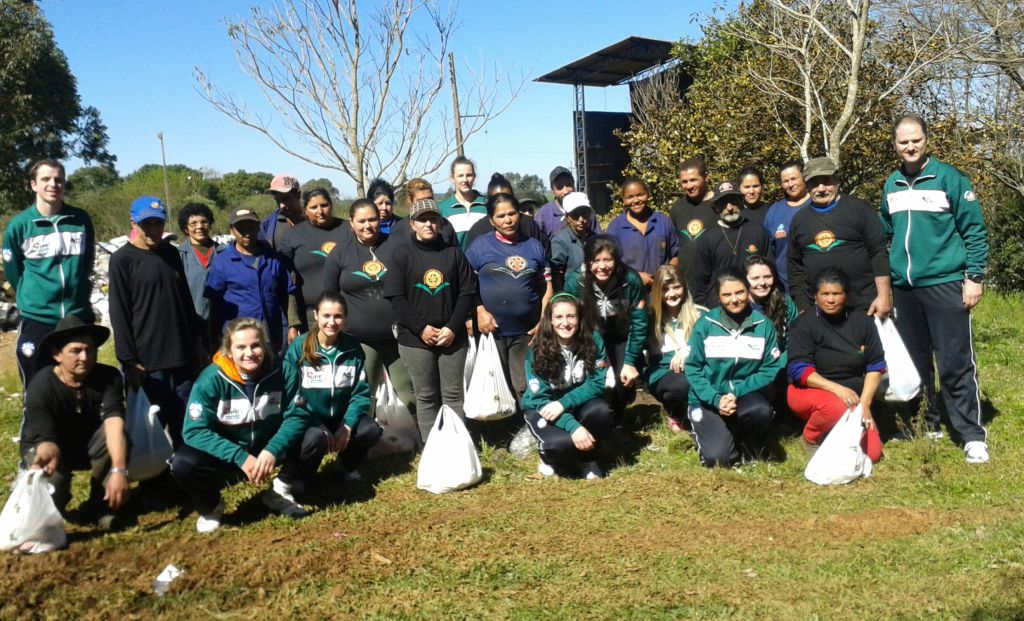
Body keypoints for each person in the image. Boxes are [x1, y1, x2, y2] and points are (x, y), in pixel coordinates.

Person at [881, 113, 990, 463]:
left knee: (954, 362)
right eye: (903, 141)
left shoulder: (950, 179)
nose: (910, 146)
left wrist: (974, 278)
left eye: (916, 140)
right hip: (905, 289)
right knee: (914, 364)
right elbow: (886, 233)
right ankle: (926, 423)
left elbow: (974, 231)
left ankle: (971, 434)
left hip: (945, 284)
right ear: (895, 145)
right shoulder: (892, 185)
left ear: (927, 140)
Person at [171, 318, 310, 533]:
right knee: (183, 462)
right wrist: (239, 456)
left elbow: (298, 414)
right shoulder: (210, 379)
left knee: (314, 436)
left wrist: (272, 450)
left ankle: (280, 491)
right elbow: (194, 430)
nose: (250, 353)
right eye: (241, 347)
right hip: (228, 453)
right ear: (228, 350)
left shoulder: (283, 371)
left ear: (264, 345)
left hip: (268, 447)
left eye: (255, 345)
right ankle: (211, 506)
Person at [108, 196, 203, 447]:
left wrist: (197, 341)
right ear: (133, 224)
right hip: (148, 361)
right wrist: (129, 361)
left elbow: (185, 301)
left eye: (158, 224)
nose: (153, 230)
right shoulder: (122, 260)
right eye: (146, 224)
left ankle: (185, 472)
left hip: (181, 354)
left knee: (185, 418)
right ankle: (156, 478)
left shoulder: (171, 254)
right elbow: (119, 313)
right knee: (153, 426)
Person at [20, 316, 129, 532]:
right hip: (49, 447)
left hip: (88, 444)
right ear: (57, 355)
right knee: (52, 487)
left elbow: (114, 423)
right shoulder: (40, 386)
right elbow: (45, 439)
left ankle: (102, 505)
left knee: (114, 440)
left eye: (90, 349)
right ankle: (49, 506)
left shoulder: (109, 377)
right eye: (76, 350)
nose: (85, 357)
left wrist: (119, 469)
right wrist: (47, 453)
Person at [383, 199, 476, 442]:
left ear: (440, 223)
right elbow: (396, 297)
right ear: (412, 224)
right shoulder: (401, 255)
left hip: (451, 338)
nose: (428, 224)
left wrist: (452, 327)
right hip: (414, 339)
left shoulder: (453, 253)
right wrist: (421, 328)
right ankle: (432, 449)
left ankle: (458, 447)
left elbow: (467, 292)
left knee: (454, 395)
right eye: (422, 219)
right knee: (426, 396)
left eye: (433, 219)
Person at [3, 159, 95, 392]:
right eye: (46, 179)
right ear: (33, 184)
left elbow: (86, 263)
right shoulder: (19, 225)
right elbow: (14, 272)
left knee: (83, 390)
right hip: (38, 319)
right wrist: (33, 294)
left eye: (58, 179)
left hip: (76, 317)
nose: (53, 184)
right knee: (37, 391)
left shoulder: (81, 220)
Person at [322, 198, 416, 414]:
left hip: (399, 337)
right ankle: (363, 441)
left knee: (410, 393)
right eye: (361, 221)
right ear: (351, 223)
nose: (367, 226)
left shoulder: (398, 246)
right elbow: (329, 296)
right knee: (364, 395)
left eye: (372, 219)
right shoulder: (340, 253)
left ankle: (417, 440)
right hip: (360, 340)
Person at [684, 269, 785, 467]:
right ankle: (710, 433)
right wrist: (716, 398)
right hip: (708, 398)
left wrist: (735, 392)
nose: (734, 299)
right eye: (727, 295)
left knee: (761, 411)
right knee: (720, 460)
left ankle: (746, 442)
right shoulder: (705, 324)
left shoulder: (762, 325)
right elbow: (693, 368)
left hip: (742, 395)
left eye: (739, 292)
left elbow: (769, 369)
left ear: (748, 291)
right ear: (718, 297)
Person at [282, 292, 382, 488]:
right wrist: (318, 425)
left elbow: (360, 394)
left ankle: (345, 466)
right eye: (326, 316)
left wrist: (347, 425)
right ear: (316, 316)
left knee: (370, 430)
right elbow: (290, 394)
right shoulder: (298, 347)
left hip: (340, 417)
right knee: (314, 438)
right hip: (308, 419)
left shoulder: (353, 348)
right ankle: (302, 474)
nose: (332, 322)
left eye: (338, 316)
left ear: (345, 318)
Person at [786, 268, 885, 462]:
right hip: (809, 391)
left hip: (854, 397)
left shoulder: (863, 322)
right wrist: (837, 389)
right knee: (836, 407)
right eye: (825, 294)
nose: (830, 300)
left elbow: (876, 365)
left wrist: (864, 404)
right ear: (816, 296)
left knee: (872, 454)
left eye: (836, 294)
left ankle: (833, 431)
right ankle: (810, 438)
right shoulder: (804, 323)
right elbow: (799, 370)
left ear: (846, 295)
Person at [468, 192, 553, 400]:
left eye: (512, 213)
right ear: (491, 220)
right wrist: (478, 310)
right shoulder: (479, 247)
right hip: (491, 330)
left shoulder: (534, 246)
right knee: (496, 386)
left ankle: (527, 427)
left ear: (520, 215)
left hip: (527, 330)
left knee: (524, 385)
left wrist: (544, 319)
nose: (508, 220)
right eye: (501, 216)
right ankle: (499, 429)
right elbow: (466, 286)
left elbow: (547, 287)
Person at [522, 293, 613, 479]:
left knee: (601, 410)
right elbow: (540, 399)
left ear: (579, 318)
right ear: (551, 321)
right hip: (543, 408)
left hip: (573, 404)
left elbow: (597, 383)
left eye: (571, 316)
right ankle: (548, 458)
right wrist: (573, 427)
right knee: (561, 444)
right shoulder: (536, 350)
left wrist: (564, 403)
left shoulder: (593, 340)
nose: (566, 323)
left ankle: (588, 460)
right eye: (559, 317)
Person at [788, 157, 891, 316]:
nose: (821, 188)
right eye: (814, 184)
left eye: (826, 181)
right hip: (819, 313)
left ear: (837, 181)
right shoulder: (799, 221)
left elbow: (878, 253)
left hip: (864, 308)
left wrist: (883, 296)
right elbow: (795, 268)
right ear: (807, 186)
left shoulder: (860, 210)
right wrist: (802, 307)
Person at [563, 236, 647, 424]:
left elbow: (639, 322)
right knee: (594, 379)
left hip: (620, 336)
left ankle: (617, 420)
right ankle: (587, 419)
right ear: (587, 261)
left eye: (608, 259)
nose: (602, 266)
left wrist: (630, 361)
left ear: (616, 260)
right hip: (588, 337)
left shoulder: (630, 280)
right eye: (596, 260)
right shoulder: (575, 282)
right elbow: (566, 314)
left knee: (622, 380)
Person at [205, 208, 296, 354]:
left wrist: (293, 325)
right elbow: (214, 302)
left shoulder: (273, 259)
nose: (247, 232)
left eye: (251, 227)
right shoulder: (222, 262)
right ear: (231, 231)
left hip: (273, 334)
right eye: (241, 228)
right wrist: (213, 335)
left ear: (258, 227)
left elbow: (287, 292)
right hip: (239, 338)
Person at [645, 265, 705, 434]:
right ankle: (678, 413)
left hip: (694, 369)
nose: (672, 294)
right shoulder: (650, 319)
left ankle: (693, 417)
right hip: (662, 373)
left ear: (684, 287)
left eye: (676, 287)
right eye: (665, 289)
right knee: (682, 385)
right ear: (657, 291)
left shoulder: (701, 315)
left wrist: (688, 351)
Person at [692, 181, 772, 306]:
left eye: (733, 201)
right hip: (719, 306)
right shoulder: (707, 239)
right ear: (716, 206)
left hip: (755, 305)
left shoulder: (758, 231)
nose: (729, 208)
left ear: (740, 202)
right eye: (724, 203)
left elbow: (770, 270)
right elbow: (700, 282)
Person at [279, 188, 348, 331]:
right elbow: (284, 277)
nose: (320, 211)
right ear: (305, 210)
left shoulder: (348, 229)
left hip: (347, 311)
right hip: (310, 315)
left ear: (331, 205)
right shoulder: (293, 235)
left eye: (324, 205)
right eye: (314, 207)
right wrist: (293, 321)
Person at [605, 177, 679, 288]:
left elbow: (676, 254)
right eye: (629, 197)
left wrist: (667, 274)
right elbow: (608, 262)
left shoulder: (663, 222)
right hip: (629, 292)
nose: (635, 200)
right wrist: (635, 277)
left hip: (661, 291)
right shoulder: (615, 228)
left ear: (648, 194)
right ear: (623, 199)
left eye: (640, 195)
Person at [176, 202, 224, 345]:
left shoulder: (223, 252)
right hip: (192, 324)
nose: (199, 227)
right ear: (185, 227)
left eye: (204, 222)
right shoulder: (179, 255)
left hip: (221, 324)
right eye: (193, 223)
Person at [464, 173, 547, 251]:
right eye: (497, 199)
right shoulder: (478, 230)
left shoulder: (529, 225)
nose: (502, 202)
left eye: (506, 197)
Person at [763, 160, 812, 291]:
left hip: (817, 285)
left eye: (794, 179)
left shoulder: (816, 204)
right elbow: (768, 250)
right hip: (784, 287)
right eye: (785, 181)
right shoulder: (774, 211)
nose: (790, 184)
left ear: (804, 178)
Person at [670, 157, 716, 292]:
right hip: (686, 284)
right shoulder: (677, 208)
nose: (689, 186)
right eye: (684, 182)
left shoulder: (719, 205)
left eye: (693, 180)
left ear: (706, 177)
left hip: (715, 284)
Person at [534, 166, 600, 240]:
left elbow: (598, 240)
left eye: (568, 185)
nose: (565, 191)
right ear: (552, 190)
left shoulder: (586, 211)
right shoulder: (542, 216)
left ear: (574, 185)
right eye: (560, 187)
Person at [549, 192, 597, 290]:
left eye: (585, 213)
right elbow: (555, 273)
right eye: (575, 215)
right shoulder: (560, 241)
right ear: (567, 217)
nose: (581, 219)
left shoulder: (595, 238)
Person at [437, 156, 487, 249]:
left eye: (469, 175)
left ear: (474, 176)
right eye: (460, 176)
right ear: (452, 178)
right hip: (455, 263)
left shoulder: (487, 205)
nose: (465, 180)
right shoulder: (442, 208)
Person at [398, 177, 457, 247]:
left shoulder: (445, 225)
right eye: (421, 200)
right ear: (410, 201)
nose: (426, 203)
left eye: (429, 199)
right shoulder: (399, 229)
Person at [260, 173, 305, 250]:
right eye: (278, 201)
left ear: (298, 195)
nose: (281, 206)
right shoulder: (266, 225)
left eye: (285, 199)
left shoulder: (315, 220)